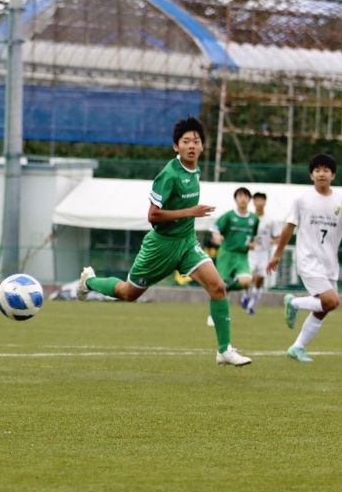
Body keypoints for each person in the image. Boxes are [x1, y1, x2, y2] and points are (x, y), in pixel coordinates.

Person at [76, 116, 252, 367]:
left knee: (218, 288)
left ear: (202, 147)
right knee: (128, 294)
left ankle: (224, 350)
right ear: (176, 146)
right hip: (160, 246)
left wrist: (189, 219)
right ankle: (89, 281)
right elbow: (153, 215)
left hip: (187, 243)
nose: (192, 145)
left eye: (196, 141)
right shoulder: (169, 174)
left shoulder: (195, 170)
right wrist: (190, 212)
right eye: (186, 141)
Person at [267, 153, 342, 363]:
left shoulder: (340, 200)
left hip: (329, 262)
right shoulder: (302, 200)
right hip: (308, 260)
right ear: (311, 175)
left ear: (333, 175)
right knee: (331, 301)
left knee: (325, 308)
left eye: (326, 170)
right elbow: (289, 227)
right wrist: (277, 255)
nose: (321, 174)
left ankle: (297, 347)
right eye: (317, 170)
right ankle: (295, 303)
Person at [205, 187, 258, 325]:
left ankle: (227, 288)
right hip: (227, 254)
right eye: (240, 196)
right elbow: (215, 228)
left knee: (246, 281)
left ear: (249, 199)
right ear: (235, 199)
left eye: (245, 196)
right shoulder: (229, 216)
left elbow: (255, 237)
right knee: (218, 286)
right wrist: (216, 236)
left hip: (242, 256)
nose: (243, 198)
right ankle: (213, 315)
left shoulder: (253, 219)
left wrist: (253, 244)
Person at [240, 192, 281, 315]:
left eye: (261, 200)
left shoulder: (270, 220)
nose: (259, 203)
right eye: (257, 200)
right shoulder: (249, 218)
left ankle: (252, 306)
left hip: (264, 254)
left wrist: (273, 241)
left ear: (265, 202)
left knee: (259, 281)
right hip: (251, 253)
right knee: (249, 277)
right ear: (253, 202)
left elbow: (278, 236)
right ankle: (246, 294)